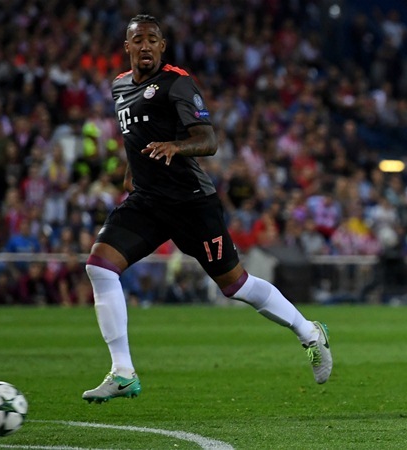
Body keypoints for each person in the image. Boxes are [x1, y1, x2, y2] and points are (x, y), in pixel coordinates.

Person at [82, 15, 332, 404]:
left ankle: (309, 332)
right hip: (148, 201)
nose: (145, 45)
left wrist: (175, 147)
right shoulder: (119, 87)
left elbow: (208, 139)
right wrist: (133, 172)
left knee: (236, 285)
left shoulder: (177, 82)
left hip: (190, 202)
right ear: (127, 47)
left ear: (162, 47)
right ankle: (123, 371)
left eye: (152, 39)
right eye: (138, 40)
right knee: (99, 266)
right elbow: (137, 138)